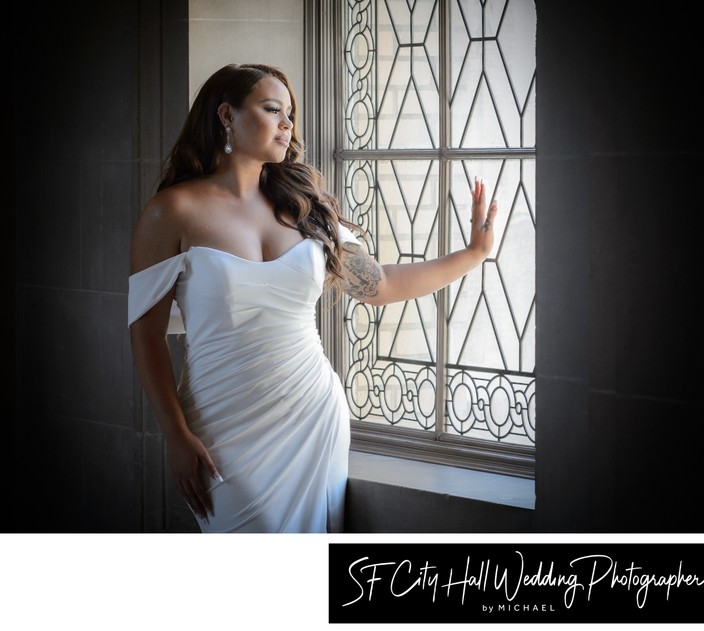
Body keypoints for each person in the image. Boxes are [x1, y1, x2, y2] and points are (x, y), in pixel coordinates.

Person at [128, 63, 497, 533]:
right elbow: (145, 334)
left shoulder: (303, 207)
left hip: (311, 415)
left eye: (291, 115)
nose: (287, 124)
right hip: (222, 428)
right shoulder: (172, 212)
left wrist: (472, 254)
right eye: (272, 110)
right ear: (227, 115)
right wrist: (174, 433)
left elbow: (379, 286)